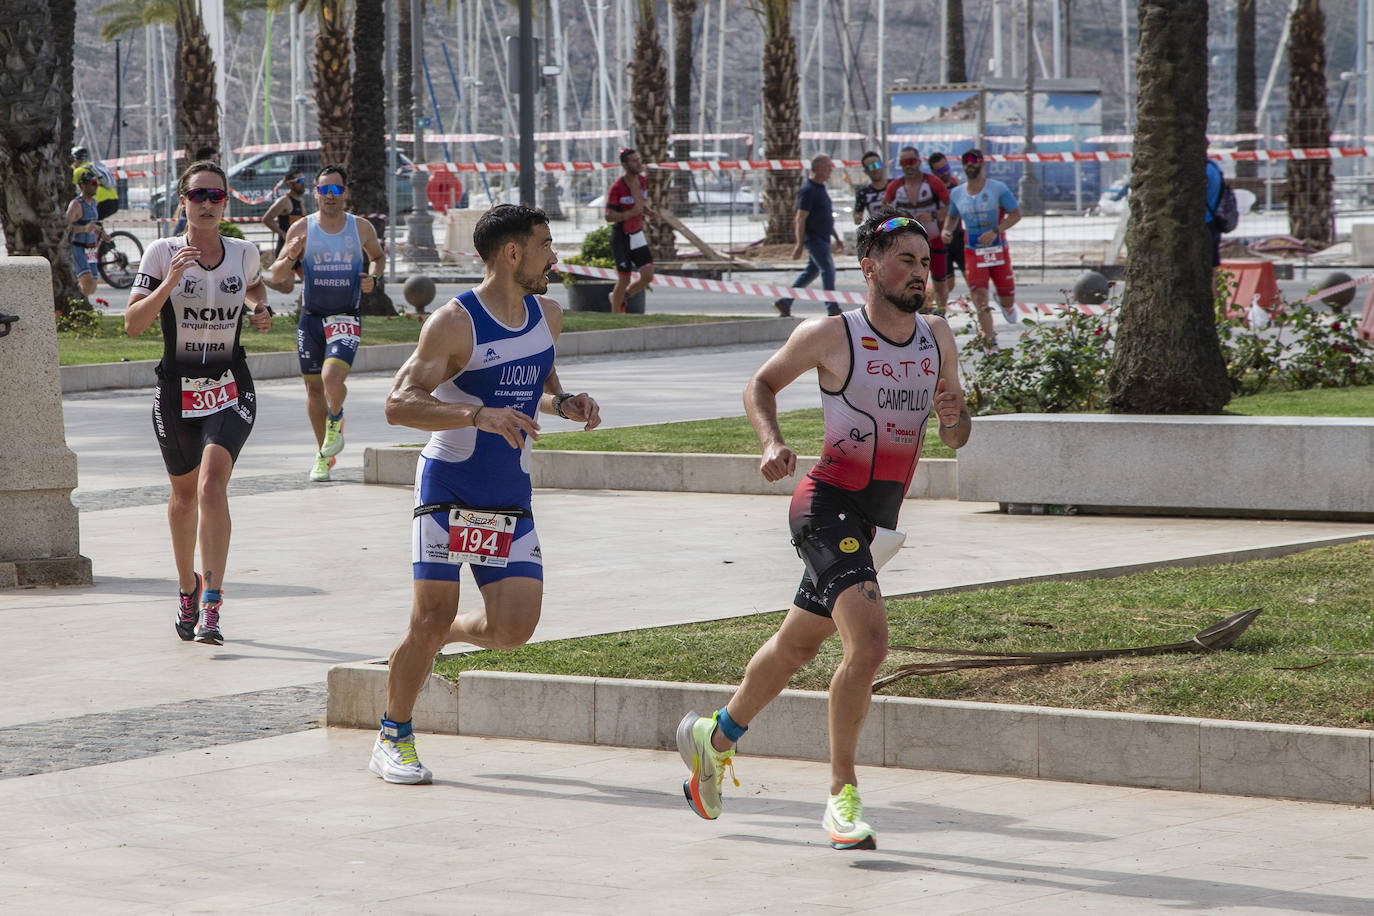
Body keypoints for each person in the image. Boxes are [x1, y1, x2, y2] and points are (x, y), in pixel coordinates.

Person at [677, 212, 970, 850]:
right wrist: (771, 442)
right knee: (868, 645)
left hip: (877, 522)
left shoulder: (938, 337)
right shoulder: (833, 334)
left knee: (797, 648)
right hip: (824, 504)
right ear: (869, 268)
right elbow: (760, 383)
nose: (920, 274)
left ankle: (715, 737)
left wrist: (954, 415)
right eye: (905, 261)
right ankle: (842, 796)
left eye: (925, 262)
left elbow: (953, 432)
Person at [370, 204, 602, 784]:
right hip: (449, 485)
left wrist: (565, 403)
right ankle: (393, 736)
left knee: (514, 629)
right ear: (512, 253)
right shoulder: (454, 323)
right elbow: (399, 405)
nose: (556, 256)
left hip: (508, 493)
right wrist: (475, 414)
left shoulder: (548, 316)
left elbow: (533, 391)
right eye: (547, 245)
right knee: (428, 616)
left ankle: (441, 633)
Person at [123, 160, 273, 646]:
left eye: (216, 196)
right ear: (182, 201)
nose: (207, 204)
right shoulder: (161, 252)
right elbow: (133, 324)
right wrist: (169, 282)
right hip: (176, 390)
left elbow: (253, 286)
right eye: (198, 195)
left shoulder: (244, 252)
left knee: (212, 485)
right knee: (185, 496)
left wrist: (259, 308)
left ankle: (212, 603)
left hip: (230, 384)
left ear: (225, 203)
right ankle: (187, 585)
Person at [266, 165, 385, 482]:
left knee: (332, 378)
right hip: (311, 319)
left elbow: (377, 256)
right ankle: (323, 455)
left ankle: (336, 418)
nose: (330, 196)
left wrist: (372, 278)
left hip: (345, 316)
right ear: (315, 192)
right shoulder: (302, 229)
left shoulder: (360, 228)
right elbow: (276, 277)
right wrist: (290, 255)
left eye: (336, 190)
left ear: (345, 192)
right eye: (324, 190)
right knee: (313, 388)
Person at [941, 148, 1022, 349]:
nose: (970, 164)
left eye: (974, 161)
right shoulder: (957, 193)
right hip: (973, 251)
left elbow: (1016, 215)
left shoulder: (998, 189)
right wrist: (946, 230)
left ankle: (1005, 303)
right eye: (966, 161)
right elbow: (952, 216)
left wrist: (996, 230)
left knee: (1007, 299)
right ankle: (989, 341)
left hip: (997, 250)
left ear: (982, 163)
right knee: (978, 296)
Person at [883, 145, 953, 314]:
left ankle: (940, 317)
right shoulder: (894, 187)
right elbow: (883, 214)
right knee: (910, 281)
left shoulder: (933, 183)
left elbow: (952, 208)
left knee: (941, 284)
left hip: (934, 241)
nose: (908, 165)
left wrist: (934, 215)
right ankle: (917, 316)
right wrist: (898, 222)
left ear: (919, 162)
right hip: (908, 245)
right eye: (904, 162)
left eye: (912, 161)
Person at [774, 155, 845, 318]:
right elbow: (800, 218)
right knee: (827, 269)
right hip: (814, 239)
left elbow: (825, 216)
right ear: (818, 167)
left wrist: (837, 237)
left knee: (811, 272)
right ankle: (832, 307)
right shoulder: (808, 190)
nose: (830, 169)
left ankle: (785, 302)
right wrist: (799, 245)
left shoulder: (821, 188)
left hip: (824, 238)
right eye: (828, 166)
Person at [605, 148, 655, 313]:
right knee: (624, 278)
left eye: (638, 159)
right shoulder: (617, 187)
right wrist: (630, 213)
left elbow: (642, 204)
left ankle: (620, 297)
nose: (638, 163)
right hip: (622, 235)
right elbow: (608, 216)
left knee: (647, 275)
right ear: (625, 165)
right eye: (634, 160)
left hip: (637, 233)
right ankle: (614, 316)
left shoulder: (642, 181)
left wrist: (647, 211)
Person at [927, 152, 966, 286]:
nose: (945, 173)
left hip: (958, 235)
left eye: (946, 168)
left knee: (971, 277)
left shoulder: (955, 182)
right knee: (947, 284)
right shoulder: (931, 188)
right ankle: (929, 304)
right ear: (933, 172)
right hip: (940, 239)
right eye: (940, 171)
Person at [66, 170, 101, 298]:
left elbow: (94, 224)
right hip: (78, 247)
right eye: (93, 183)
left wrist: (102, 233)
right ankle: (80, 307)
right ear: (83, 186)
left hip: (91, 249)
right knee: (87, 282)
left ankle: (80, 303)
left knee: (92, 287)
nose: (96, 185)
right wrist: (83, 229)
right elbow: (66, 227)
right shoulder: (76, 204)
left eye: (96, 183)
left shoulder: (94, 203)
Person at [71, 146, 120, 219]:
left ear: (75, 159)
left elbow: (69, 186)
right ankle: (99, 230)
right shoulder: (92, 167)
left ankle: (95, 229)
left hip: (101, 200)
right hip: (114, 198)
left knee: (86, 219)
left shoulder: (78, 171)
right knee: (94, 221)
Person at [851, 151, 888, 225]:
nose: (874, 170)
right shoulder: (863, 193)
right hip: (879, 232)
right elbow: (857, 220)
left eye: (876, 165)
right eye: (870, 167)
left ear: (882, 165)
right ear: (865, 171)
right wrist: (857, 216)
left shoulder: (895, 185)